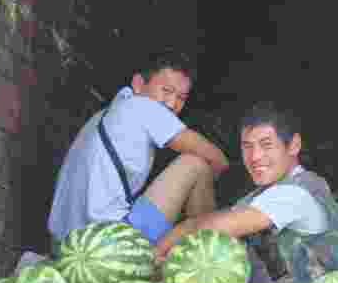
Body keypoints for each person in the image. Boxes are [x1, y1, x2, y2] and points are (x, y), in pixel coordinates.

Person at [154, 101, 338, 283]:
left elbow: (211, 228)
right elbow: (212, 222)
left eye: (266, 145)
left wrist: (156, 257)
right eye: (247, 146)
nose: (255, 156)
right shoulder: (264, 195)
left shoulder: (297, 193)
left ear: (293, 145)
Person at [46, 51, 230, 252]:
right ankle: (209, 255)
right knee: (195, 164)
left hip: (65, 247)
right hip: (108, 246)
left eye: (181, 98)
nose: (171, 104)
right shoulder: (143, 107)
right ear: (139, 84)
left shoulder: (105, 115)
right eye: (166, 91)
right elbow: (217, 159)